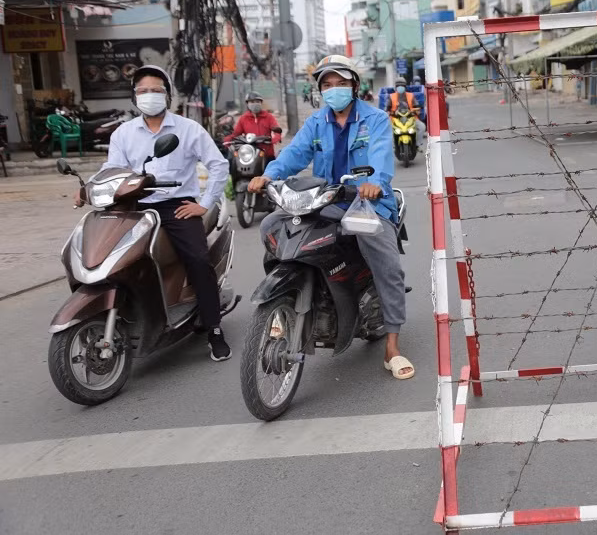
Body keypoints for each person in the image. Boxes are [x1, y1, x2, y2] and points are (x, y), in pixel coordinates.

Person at [248, 55, 414, 379]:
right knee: (272, 226)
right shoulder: (316, 123)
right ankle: (288, 298)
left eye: (341, 83)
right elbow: (294, 155)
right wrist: (268, 176)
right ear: (320, 90)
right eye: (328, 85)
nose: (334, 89)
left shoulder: (375, 119)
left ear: (354, 86)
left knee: (385, 259)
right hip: (322, 200)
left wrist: (375, 184)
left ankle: (392, 344)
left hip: (366, 202)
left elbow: (382, 158)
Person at [77, 65, 232, 360]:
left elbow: (218, 165)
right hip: (133, 206)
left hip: (176, 206)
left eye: (156, 90)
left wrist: (205, 203)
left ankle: (213, 328)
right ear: (134, 97)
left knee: (198, 259)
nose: (149, 96)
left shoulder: (188, 129)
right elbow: (112, 169)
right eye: (143, 91)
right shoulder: (123, 133)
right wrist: (88, 188)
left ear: (167, 95)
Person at [224, 91, 281, 161]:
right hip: (249, 154)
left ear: (261, 103)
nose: (255, 104)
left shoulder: (268, 117)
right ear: (247, 104)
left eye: (257, 101)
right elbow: (236, 134)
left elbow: (276, 129)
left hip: (267, 153)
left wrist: (276, 137)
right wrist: (227, 140)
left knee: (271, 169)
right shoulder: (244, 118)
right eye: (252, 102)